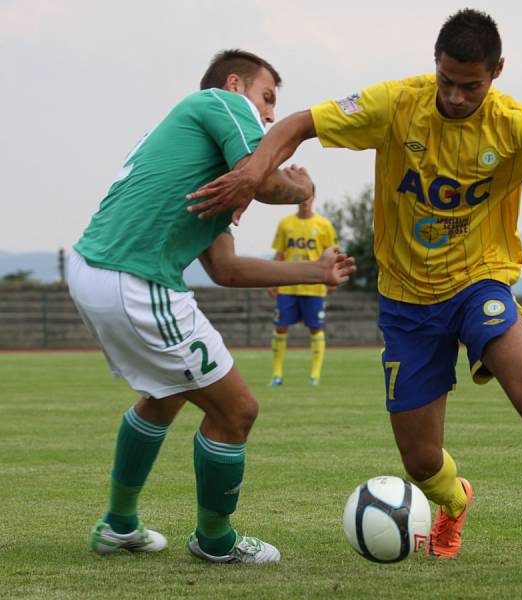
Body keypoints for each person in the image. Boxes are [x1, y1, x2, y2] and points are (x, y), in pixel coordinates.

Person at [187, 11, 522, 580]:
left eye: (472, 85)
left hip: (478, 282)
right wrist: (253, 171)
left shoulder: (517, 126)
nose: (457, 97)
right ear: (434, 65)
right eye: (447, 81)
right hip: (406, 303)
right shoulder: (395, 103)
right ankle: (455, 503)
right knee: (420, 461)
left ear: (497, 73)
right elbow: (297, 123)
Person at [68, 49, 355, 565]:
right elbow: (265, 180)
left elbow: (225, 268)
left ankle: (118, 524)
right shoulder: (221, 102)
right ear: (235, 83)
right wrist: (304, 188)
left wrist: (314, 272)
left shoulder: (203, 160)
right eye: (266, 98)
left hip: (99, 270)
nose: (269, 115)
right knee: (237, 410)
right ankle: (216, 541)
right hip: (133, 277)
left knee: (166, 395)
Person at [268, 186, 339, 386]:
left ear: (314, 198)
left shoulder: (324, 225)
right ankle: (277, 374)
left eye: (308, 197)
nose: (304, 201)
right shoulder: (285, 224)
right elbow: (280, 254)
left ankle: (314, 375)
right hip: (288, 286)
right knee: (280, 327)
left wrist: (331, 275)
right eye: (302, 197)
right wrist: (273, 279)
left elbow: (333, 254)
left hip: (314, 287)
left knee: (316, 328)